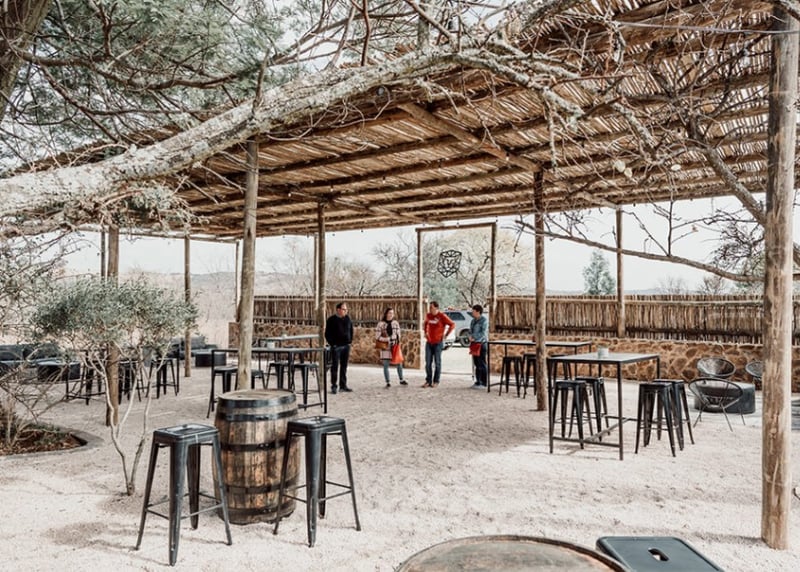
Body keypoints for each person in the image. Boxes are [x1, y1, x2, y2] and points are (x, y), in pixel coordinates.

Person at [422, 301, 454, 388]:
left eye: (431, 307)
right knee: (428, 363)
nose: (430, 309)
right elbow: (425, 323)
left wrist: (446, 334)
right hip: (429, 342)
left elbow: (452, 324)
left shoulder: (442, 316)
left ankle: (436, 381)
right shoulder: (428, 315)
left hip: (438, 343)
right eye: (429, 307)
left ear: (436, 308)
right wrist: (425, 332)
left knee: (437, 362)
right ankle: (428, 380)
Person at [324, 301, 353, 394]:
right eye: (344, 309)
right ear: (338, 310)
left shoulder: (348, 319)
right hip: (336, 346)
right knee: (335, 366)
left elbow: (351, 330)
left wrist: (350, 341)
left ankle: (343, 385)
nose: (346, 311)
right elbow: (327, 334)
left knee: (344, 366)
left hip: (346, 346)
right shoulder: (331, 320)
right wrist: (333, 344)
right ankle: (334, 385)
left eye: (346, 309)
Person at [375, 307, 406, 388]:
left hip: (395, 345)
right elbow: (377, 337)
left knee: (399, 363)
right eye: (389, 313)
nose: (391, 315)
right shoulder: (380, 324)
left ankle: (401, 379)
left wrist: (396, 339)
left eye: (392, 313)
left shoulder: (395, 323)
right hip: (385, 347)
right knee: (386, 364)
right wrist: (387, 339)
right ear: (386, 314)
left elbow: (399, 334)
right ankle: (388, 381)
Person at [468, 304, 489, 389]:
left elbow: (483, 333)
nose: (472, 313)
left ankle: (484, 382)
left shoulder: (484, 321)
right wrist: (470, 336)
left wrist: (475, 337)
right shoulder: (473, 321)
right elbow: (470, 330)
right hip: (474, 344)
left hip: (481, 343)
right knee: (476, 363)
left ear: (478, 312)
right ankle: (478, 381)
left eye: (473, 311)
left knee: (482, 363)